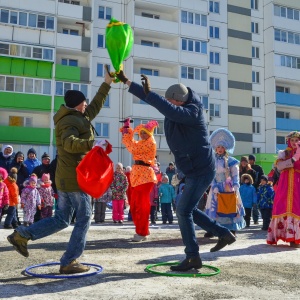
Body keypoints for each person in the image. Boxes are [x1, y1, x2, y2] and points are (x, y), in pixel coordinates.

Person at [116, 71, 236, 271]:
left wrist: (150, 94)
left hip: (201, 169)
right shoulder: (177, 110)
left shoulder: (193, 111)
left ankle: (193, 256)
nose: (169, 105)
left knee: (183, 210)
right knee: (185, 208)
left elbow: (170, 111)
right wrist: (127, 81)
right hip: (190, 169)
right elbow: (167, 110)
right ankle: (223, 233)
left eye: (172, 101)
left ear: (180, 101)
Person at [7, 69, 113, 274]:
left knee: (62, 219)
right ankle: (69, 261)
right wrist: (94, 143)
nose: (86, 105)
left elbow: (96, 105)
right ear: (76, 104)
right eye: (83, 102)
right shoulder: (68, 121)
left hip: (68, 178)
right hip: (74, 179)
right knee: (83, 218)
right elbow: (69, 143)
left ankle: (22, 235)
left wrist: (107, 83)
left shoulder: (78, 116)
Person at [120, 119, 158, 242]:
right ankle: (143, 229)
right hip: (138, 175)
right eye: (141, 132)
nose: (142, 134)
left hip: (145, 176)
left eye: (145, 132)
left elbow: (132, 147)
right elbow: (132, 145)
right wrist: (127, 130)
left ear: (150, 134)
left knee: (141, 205)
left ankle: (142, 232)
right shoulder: (142, 142)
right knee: (135, 204)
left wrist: (127, 133)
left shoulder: (150, 143)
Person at [205, 128, 246, 237]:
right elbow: (210, 174)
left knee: (230, 206)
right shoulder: (211, 160)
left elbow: (235, 174)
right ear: (215, 148)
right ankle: (213, 229)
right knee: (215, 207)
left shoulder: (231, 161)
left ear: (225, 148)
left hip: (228, 187)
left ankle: (231, 230)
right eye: (218, 147)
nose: (220, 149)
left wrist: (236, 184)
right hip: (215, 187)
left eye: (222, 147)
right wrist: (213, 185)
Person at [267, 131, 300, 247]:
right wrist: (294, 159)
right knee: (282, 206)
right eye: (292, 140)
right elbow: (279, 167)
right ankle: (286, 236)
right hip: (285, 184)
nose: (294, 142)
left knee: (297, 207)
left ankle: (295, 238)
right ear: (288, 141)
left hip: (298, 183)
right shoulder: (284, 153)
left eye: (297, 140)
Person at [239, 156, 257, 224]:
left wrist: (253, 186)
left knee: (252, 209)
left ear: (247, 162)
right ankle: (243, 222)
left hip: (251, 189)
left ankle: (255, 220)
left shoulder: (251, 171)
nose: (243, 163)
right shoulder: (239, 170)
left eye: (245, 161)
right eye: (242, 161)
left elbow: (255, 180)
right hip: (242, 189)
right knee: (243, 211)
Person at [248, 154, 264, 225]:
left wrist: (260, 184)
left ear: (254, 160)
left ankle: (256, 219)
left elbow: (262, 176)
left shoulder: (258, 167)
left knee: (255, 205)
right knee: (247, 205)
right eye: (250, 160)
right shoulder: (246, 167)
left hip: (256, 188)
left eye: (252, 160)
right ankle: (247, 220)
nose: (251, 161)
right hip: (247, 188)